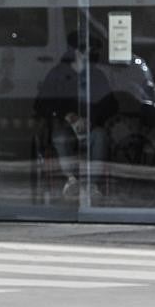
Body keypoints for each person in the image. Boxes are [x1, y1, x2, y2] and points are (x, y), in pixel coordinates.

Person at [33, 32, 117, 198]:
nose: (93, 55)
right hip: (65, 126)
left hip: (90, 127)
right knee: (61, 137)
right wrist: (68, 116)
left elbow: (112, 105)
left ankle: (91, 185)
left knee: (100, 136)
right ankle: (72, 181)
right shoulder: (57, 74)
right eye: (89, 51)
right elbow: (41, 103)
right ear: (77, 52)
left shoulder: (97, 76)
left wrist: (91, 120)